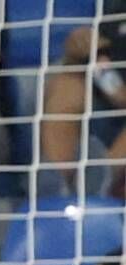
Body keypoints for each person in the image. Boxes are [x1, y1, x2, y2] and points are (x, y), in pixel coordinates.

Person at [38, 1, 126, 198]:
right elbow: (101, 59)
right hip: (106, 102)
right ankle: (56, 189)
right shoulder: (116, 10)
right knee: (66, 86)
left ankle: (98, 184)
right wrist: (80, 52)